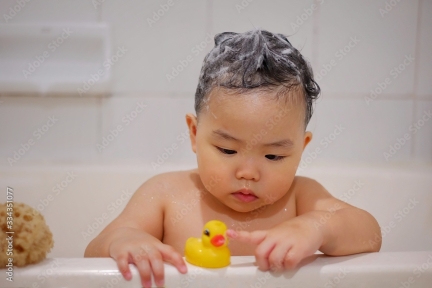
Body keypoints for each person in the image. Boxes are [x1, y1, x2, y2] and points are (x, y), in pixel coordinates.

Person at [85, 29, 381, 288]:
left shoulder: (301, 198)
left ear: (301, 149)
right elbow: (92, 253)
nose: (248, 173)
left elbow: (370, 235)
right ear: (193, 133)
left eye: (273, 155)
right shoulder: (166, 195)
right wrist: (123, 241)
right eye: (227, 151)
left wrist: (318, 227)